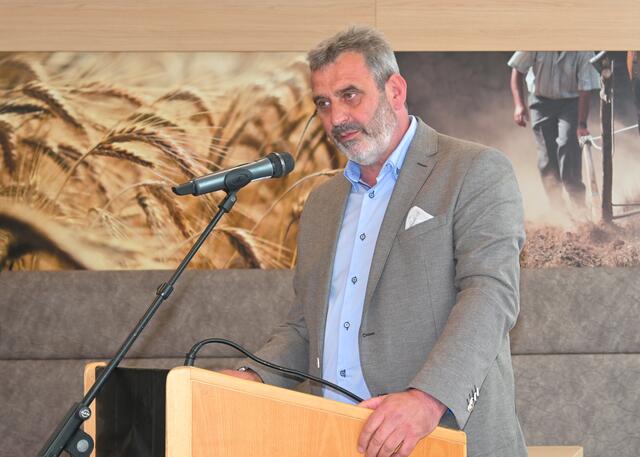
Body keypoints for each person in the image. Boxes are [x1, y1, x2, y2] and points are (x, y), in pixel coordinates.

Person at [223, 26, 527, 457]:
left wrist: (427, 399)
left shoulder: (474, 170)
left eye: (350, 95)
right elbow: (306, 326)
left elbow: (490, 295)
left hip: (439, 439)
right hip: (336, 440)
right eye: (323, 103)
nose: (336, 119)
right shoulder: (322, 204)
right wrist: (253, 378)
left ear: (395, 91)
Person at [508, 51, 600, 211]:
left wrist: (581, 124)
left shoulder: (583, 50)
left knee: (568, 146)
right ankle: (557, 207)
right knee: (546, 158)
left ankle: (578, 205)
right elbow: (517, 69)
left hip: (571, 103)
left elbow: (585, 89)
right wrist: (519, 105)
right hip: (540, 102)